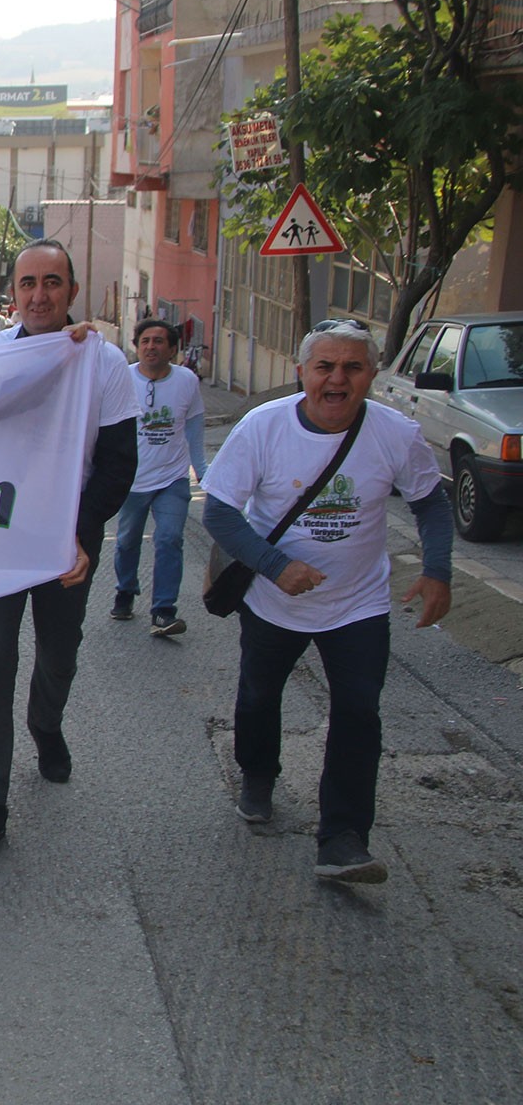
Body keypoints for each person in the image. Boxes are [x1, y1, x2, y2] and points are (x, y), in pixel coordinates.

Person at [202, 319, 452, 884]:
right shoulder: (263, 427)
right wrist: (276, 567)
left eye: (352, 367)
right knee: (260, 694)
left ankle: (343, 839)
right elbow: (218, 511)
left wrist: (437, 571)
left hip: (358, 604)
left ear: (371, 375)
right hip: (272, 601)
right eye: (325, 367)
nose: (337, 379)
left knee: (359, 713)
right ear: (302, 373)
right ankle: (258, 773)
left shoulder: (396, 433)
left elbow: (432, 503)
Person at [0, 240, 137, 858]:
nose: (39, 295)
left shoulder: (103, 363)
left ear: (72, 291)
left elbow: (118, 465)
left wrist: (81, 537)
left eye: (52, 282)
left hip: (68, 543)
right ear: (12, 294)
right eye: (28, 283)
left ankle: (47, 725)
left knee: (59, 654)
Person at [111, 317, 208, 637]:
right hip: (132, 479)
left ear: (173, 349)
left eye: (159, 341)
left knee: (169, 538)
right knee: (126, 541)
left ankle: (164, 610)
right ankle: (125, 590)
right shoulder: (122, 378)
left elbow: (193, 427)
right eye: (145, 341)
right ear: (136, 347)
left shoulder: (187, 381)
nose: (151, 347)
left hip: (173, 479)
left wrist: (202, 472)